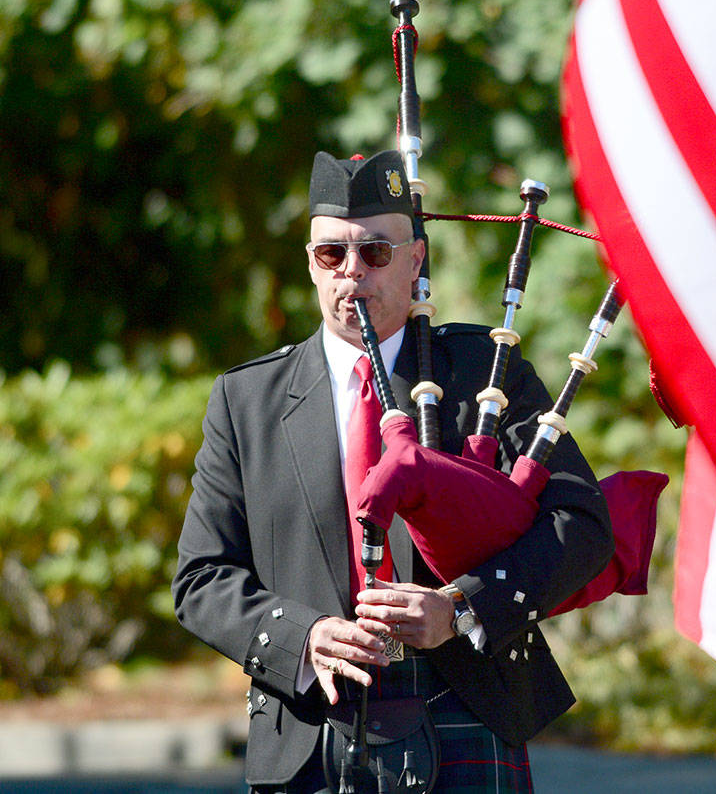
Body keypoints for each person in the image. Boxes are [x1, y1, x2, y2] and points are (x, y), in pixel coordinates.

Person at [172, 150, 613, 792]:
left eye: (376, 253)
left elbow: (582, 524)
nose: (353, 274)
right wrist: (304, 638)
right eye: (332, 255)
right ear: (311, 265)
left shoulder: (483, 374)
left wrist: (461, 606)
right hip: (307, 728)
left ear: (416, 259)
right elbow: (201, 578)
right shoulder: (248, 401)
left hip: (466, 703)